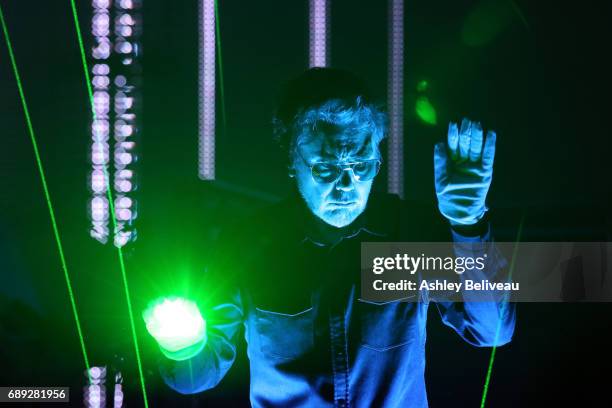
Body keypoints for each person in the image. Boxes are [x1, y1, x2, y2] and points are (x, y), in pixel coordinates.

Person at [143, 68, 515, 407]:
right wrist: (179, 342)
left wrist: (467, 223)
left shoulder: (408, 233)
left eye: (362, 165)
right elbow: (197, 377)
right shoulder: (246, 246)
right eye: (326, 166)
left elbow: (492, 330)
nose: (346, 185)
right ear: (292, 159)